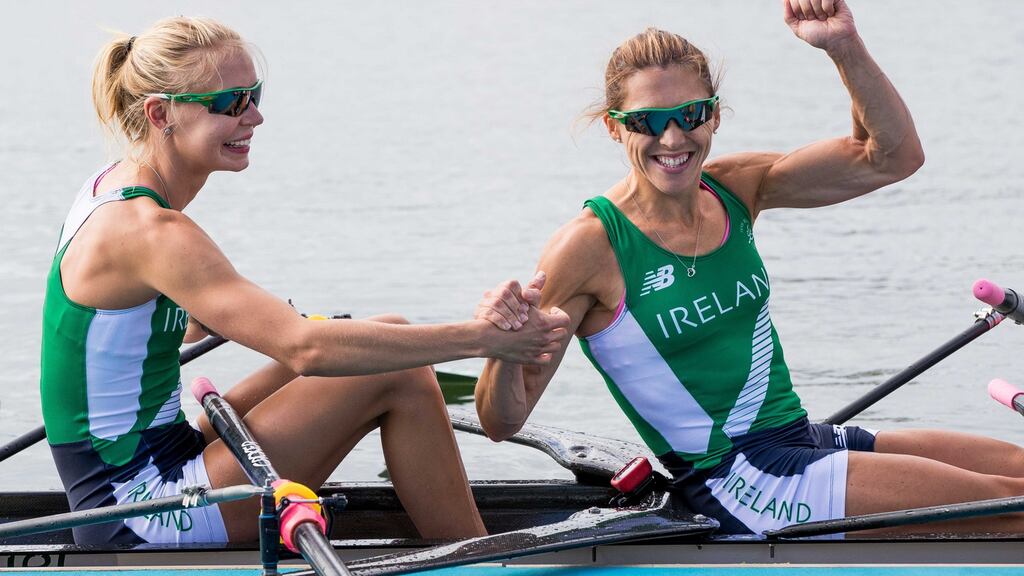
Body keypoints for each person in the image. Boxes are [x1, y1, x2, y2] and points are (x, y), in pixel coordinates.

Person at [473, 0, 1024, 535]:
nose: (672, 138)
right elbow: (502, 420)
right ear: (614, 128)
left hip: (801, 439)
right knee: (1010, 504)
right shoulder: (588, 248)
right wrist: (505, 344)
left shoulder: (735, 187)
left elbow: (892, 157)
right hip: (739, 482)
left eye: (690, 114)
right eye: (647, 121)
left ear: (713, 114)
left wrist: (843, 46)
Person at [40, 16, 569, 546]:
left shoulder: (111, 185)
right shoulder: (149, 230)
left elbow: (139, 326)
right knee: (398, 371)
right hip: (136, 508)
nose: (255, 116)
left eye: (255, 95)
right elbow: (305, 350)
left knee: (389, 329)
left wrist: (205, 315)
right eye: (231, 103)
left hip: (158, 452)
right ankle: (477, 556)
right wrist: (485, 339)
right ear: (161, 114)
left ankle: (455, 537)